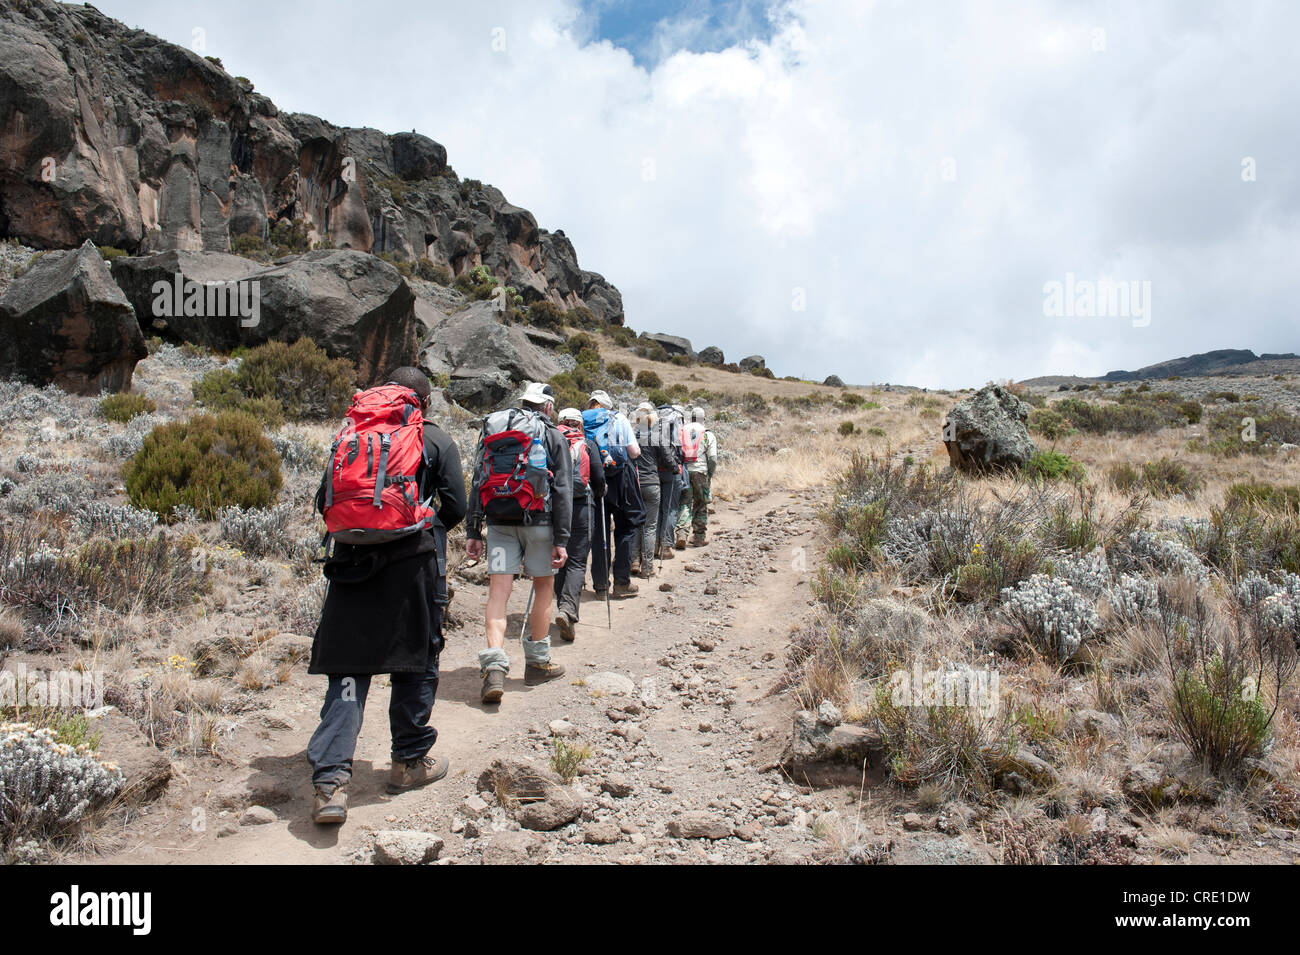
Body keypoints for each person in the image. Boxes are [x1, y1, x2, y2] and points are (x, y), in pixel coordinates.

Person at [307, 366, 466, 826]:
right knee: (415, 661)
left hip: (351, 567)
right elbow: (455, 505)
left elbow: (325, 502)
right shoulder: (434, 439)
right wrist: (417, 525)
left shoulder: (353, 433)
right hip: (412, 569)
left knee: (350, 671)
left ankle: (331, 783)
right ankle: (408, 762)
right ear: (424, 402)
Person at [465, 382, 573, 704]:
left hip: (498, 522)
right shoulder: (552, 434)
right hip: (539, 523)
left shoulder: (494, 428)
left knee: (498, 591)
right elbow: (564, 488)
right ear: (548, 407)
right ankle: (538, 664)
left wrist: (473, 529)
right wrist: (562, 538)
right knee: (543, 587)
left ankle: (494, 668)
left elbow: (477, 478)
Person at [552, 407, 606, 641]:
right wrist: (600, 491)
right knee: (576, 560)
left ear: (561, 422)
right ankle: (568, 609)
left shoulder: (550, 439)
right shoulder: (588, 443)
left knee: (558, 558)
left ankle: (561, 605)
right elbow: (598, 478)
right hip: (583, 504)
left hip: (555, 506)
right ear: (580, 424)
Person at [585, 390, 644, 598]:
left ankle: (600, 586)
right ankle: (621, 583)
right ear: (607, 405)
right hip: (620, 480)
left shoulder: (584, 421)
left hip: (594, 481)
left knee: (599, 533)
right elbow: (635, 452)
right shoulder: (619, 418)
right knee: (625, 529)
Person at [630, 402, 671, 578]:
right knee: (650, 526)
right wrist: (675, 468)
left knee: (635, 524)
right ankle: (647, 568)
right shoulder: (656, 435)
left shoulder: (631, 434)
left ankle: (634, 561)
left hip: (635, 484)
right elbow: (667, 457)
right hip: (653, 483)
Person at [676, 406, 718, 546]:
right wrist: (709, 474)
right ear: (703, 419)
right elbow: (712, 458)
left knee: (685, 502)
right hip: (701, 472)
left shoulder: (683, 431)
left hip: (685, 472)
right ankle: (699, 538)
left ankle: (681, 534)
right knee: (701, 503)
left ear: (691, 418)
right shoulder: (707, 434)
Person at [654, 402, 685, 560]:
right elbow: (682, 446)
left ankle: (654, 544)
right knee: (670, 508)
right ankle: (666, 546)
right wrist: (677, 465)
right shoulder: (676, 420)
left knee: (656, 509)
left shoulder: (652, 420)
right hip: (671, 470)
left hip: (653, 471)